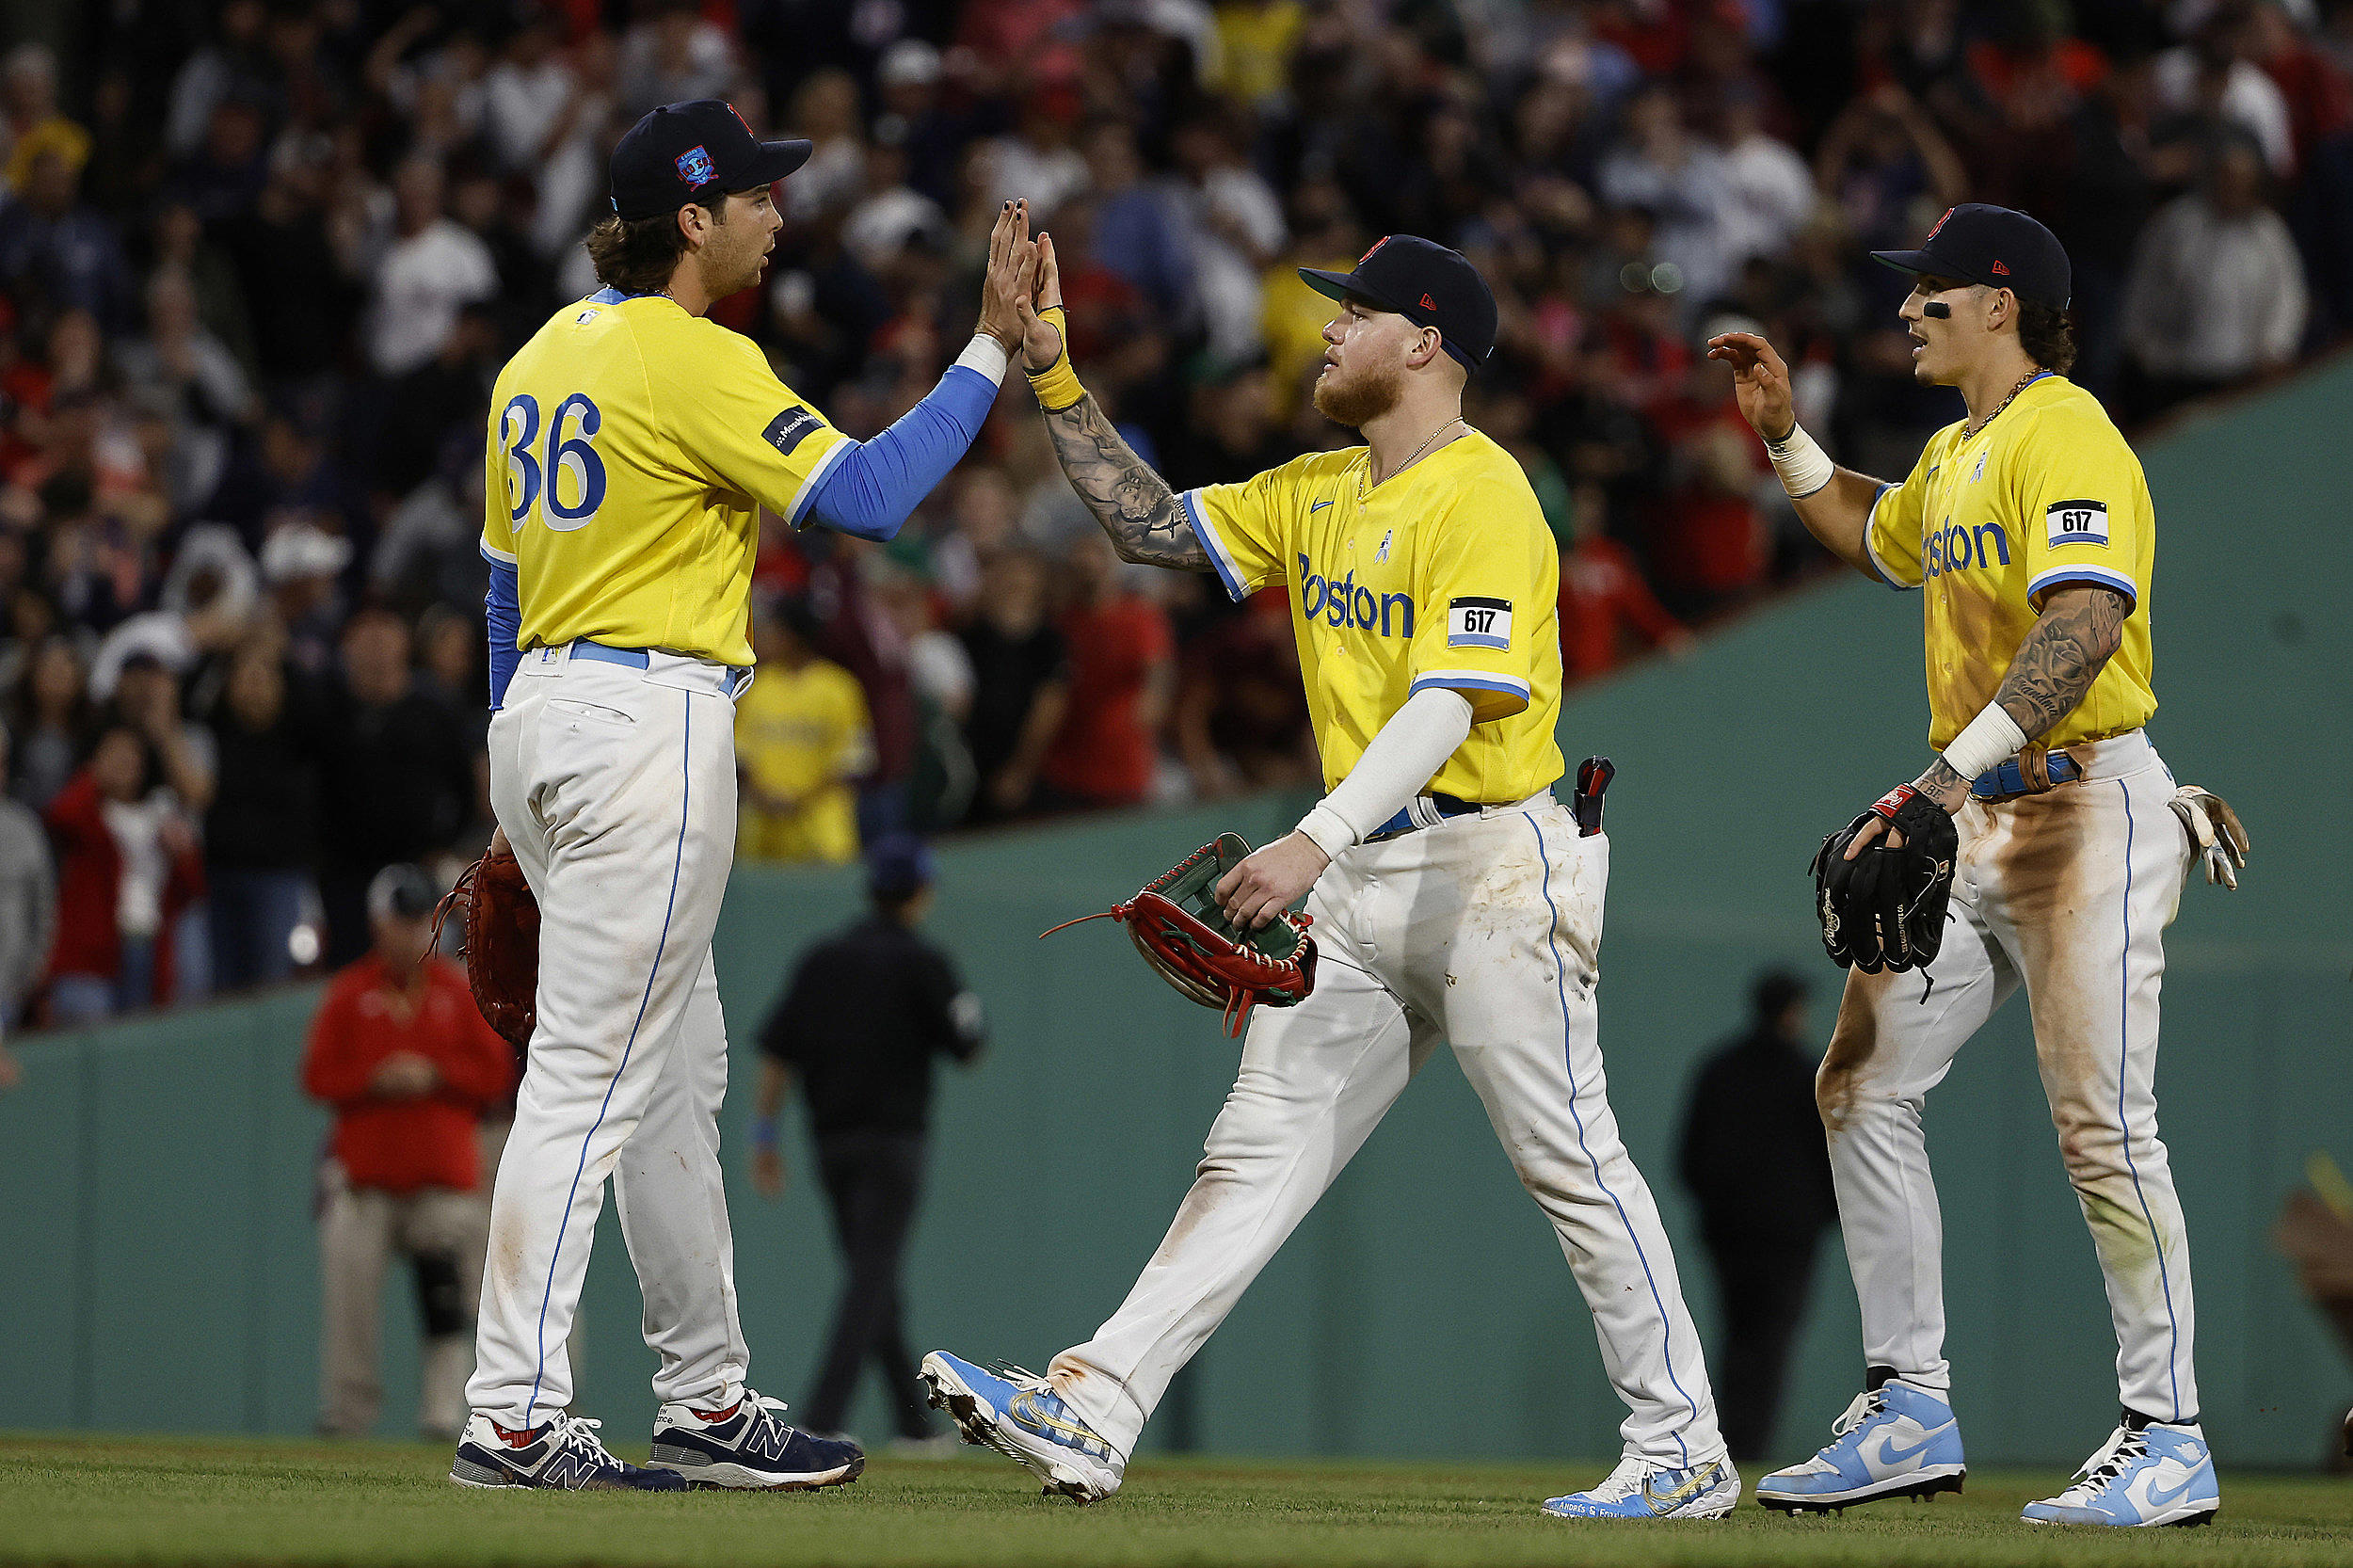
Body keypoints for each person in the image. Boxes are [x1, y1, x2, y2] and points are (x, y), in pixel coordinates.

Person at [923, 233, 1736, 1518]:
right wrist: (1055, 375)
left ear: (1423, 340)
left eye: (1350, 317)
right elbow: (1147, 528)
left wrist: (1316, 834)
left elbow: (1455, 703)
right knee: (1253, 1150)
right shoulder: (1319, 489)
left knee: (1569, 1160)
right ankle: (1095, 1402)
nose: (1324, 335)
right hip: (1362, 883)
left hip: (1492, 868)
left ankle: (1683, 1444)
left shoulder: (1487, 495)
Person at [453, 99, 1037, 1491]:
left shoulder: (539, 355)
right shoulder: (690, 354)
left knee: (672, 1081)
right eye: (759, 196)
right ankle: (513, 1410)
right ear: (692, 219)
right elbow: (868, 500)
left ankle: (707, 1394)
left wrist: (510, 777)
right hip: (646, 723)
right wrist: (989, 353)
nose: (782, 213)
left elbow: (499, 585)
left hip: (546, 713)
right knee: (593, 1081)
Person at [1710, 202, 2222, 1527]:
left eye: (1929, 293)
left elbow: (2089, 620)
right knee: (1859, 1087)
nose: (1906, 311)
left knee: (2103, 1126)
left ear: (2001, 302)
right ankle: (1909, 1407)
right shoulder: (1959, 450)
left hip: (2085, 805)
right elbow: (1868, 527)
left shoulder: (2069, 432)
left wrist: (1944, 778)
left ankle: (2168, 1433)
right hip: (1980, 811)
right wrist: (1782, 431)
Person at [748, 835, 984, 1447]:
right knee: (869, 1279)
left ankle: (912, 1422)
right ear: (921, 892)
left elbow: (777, 1053)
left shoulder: (822, 957)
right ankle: (821, 1419)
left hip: (830, 1144)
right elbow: (969, 1045)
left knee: (871, 1277)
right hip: (894, 1145)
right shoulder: (924, 961)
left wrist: (764, 1136)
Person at [303, 864, 514, 1440]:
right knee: (349, 1292)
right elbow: (316, 1077)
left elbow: (492, 1074)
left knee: (471, 1261)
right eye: (401, 919)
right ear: (378, 924)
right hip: (365, 1184)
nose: (411, 931)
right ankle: (348, 1414)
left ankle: (449, 1411)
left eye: (420, 919)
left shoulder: (457, 989)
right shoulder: (350, 992)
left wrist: (433, 1074)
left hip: (440, 1184)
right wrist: (375, 1079)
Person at [1677, 969, 1837, 1464]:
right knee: (1771, 1345)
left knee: (1735, 1340)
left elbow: (1689, 1158)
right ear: (1793, 1010)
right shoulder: (1808, 1075)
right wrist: (1819, 1215)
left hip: (1729, 1232)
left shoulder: (1718, 1069)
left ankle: (1719, 1444)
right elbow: (1831, 1160)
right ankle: (1749, 1450)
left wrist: (1719, 1207)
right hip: (1790, 1236)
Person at [733, 597, 872, 865]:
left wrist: (799, 800)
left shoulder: (839, 687)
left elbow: (852, 762)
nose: (768, 636)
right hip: (763, 828)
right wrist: (765, 797)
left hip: (821, 827)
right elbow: (741, 756)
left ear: (794, 636)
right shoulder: (757, 686)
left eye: (776, 629)